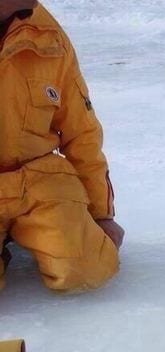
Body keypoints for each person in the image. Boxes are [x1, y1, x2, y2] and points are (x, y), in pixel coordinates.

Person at [0, 0, 124, 294]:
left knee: (87, 269)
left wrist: (101, 214)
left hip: (38, 178)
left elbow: (81, 131)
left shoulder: (49, 35)